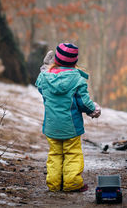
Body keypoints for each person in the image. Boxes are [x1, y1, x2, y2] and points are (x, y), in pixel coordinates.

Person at [35, 42, 101, 192]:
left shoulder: (45, 77)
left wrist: (45, 68)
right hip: (71, 126)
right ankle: (71, 184)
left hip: (51, 126)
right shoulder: (77, 79)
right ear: (75, 62)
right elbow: (83, 102)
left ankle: (54, 184)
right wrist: (94, 109)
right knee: (72, 154)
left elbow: (40, 87)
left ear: (55, 60)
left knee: (55, 154)